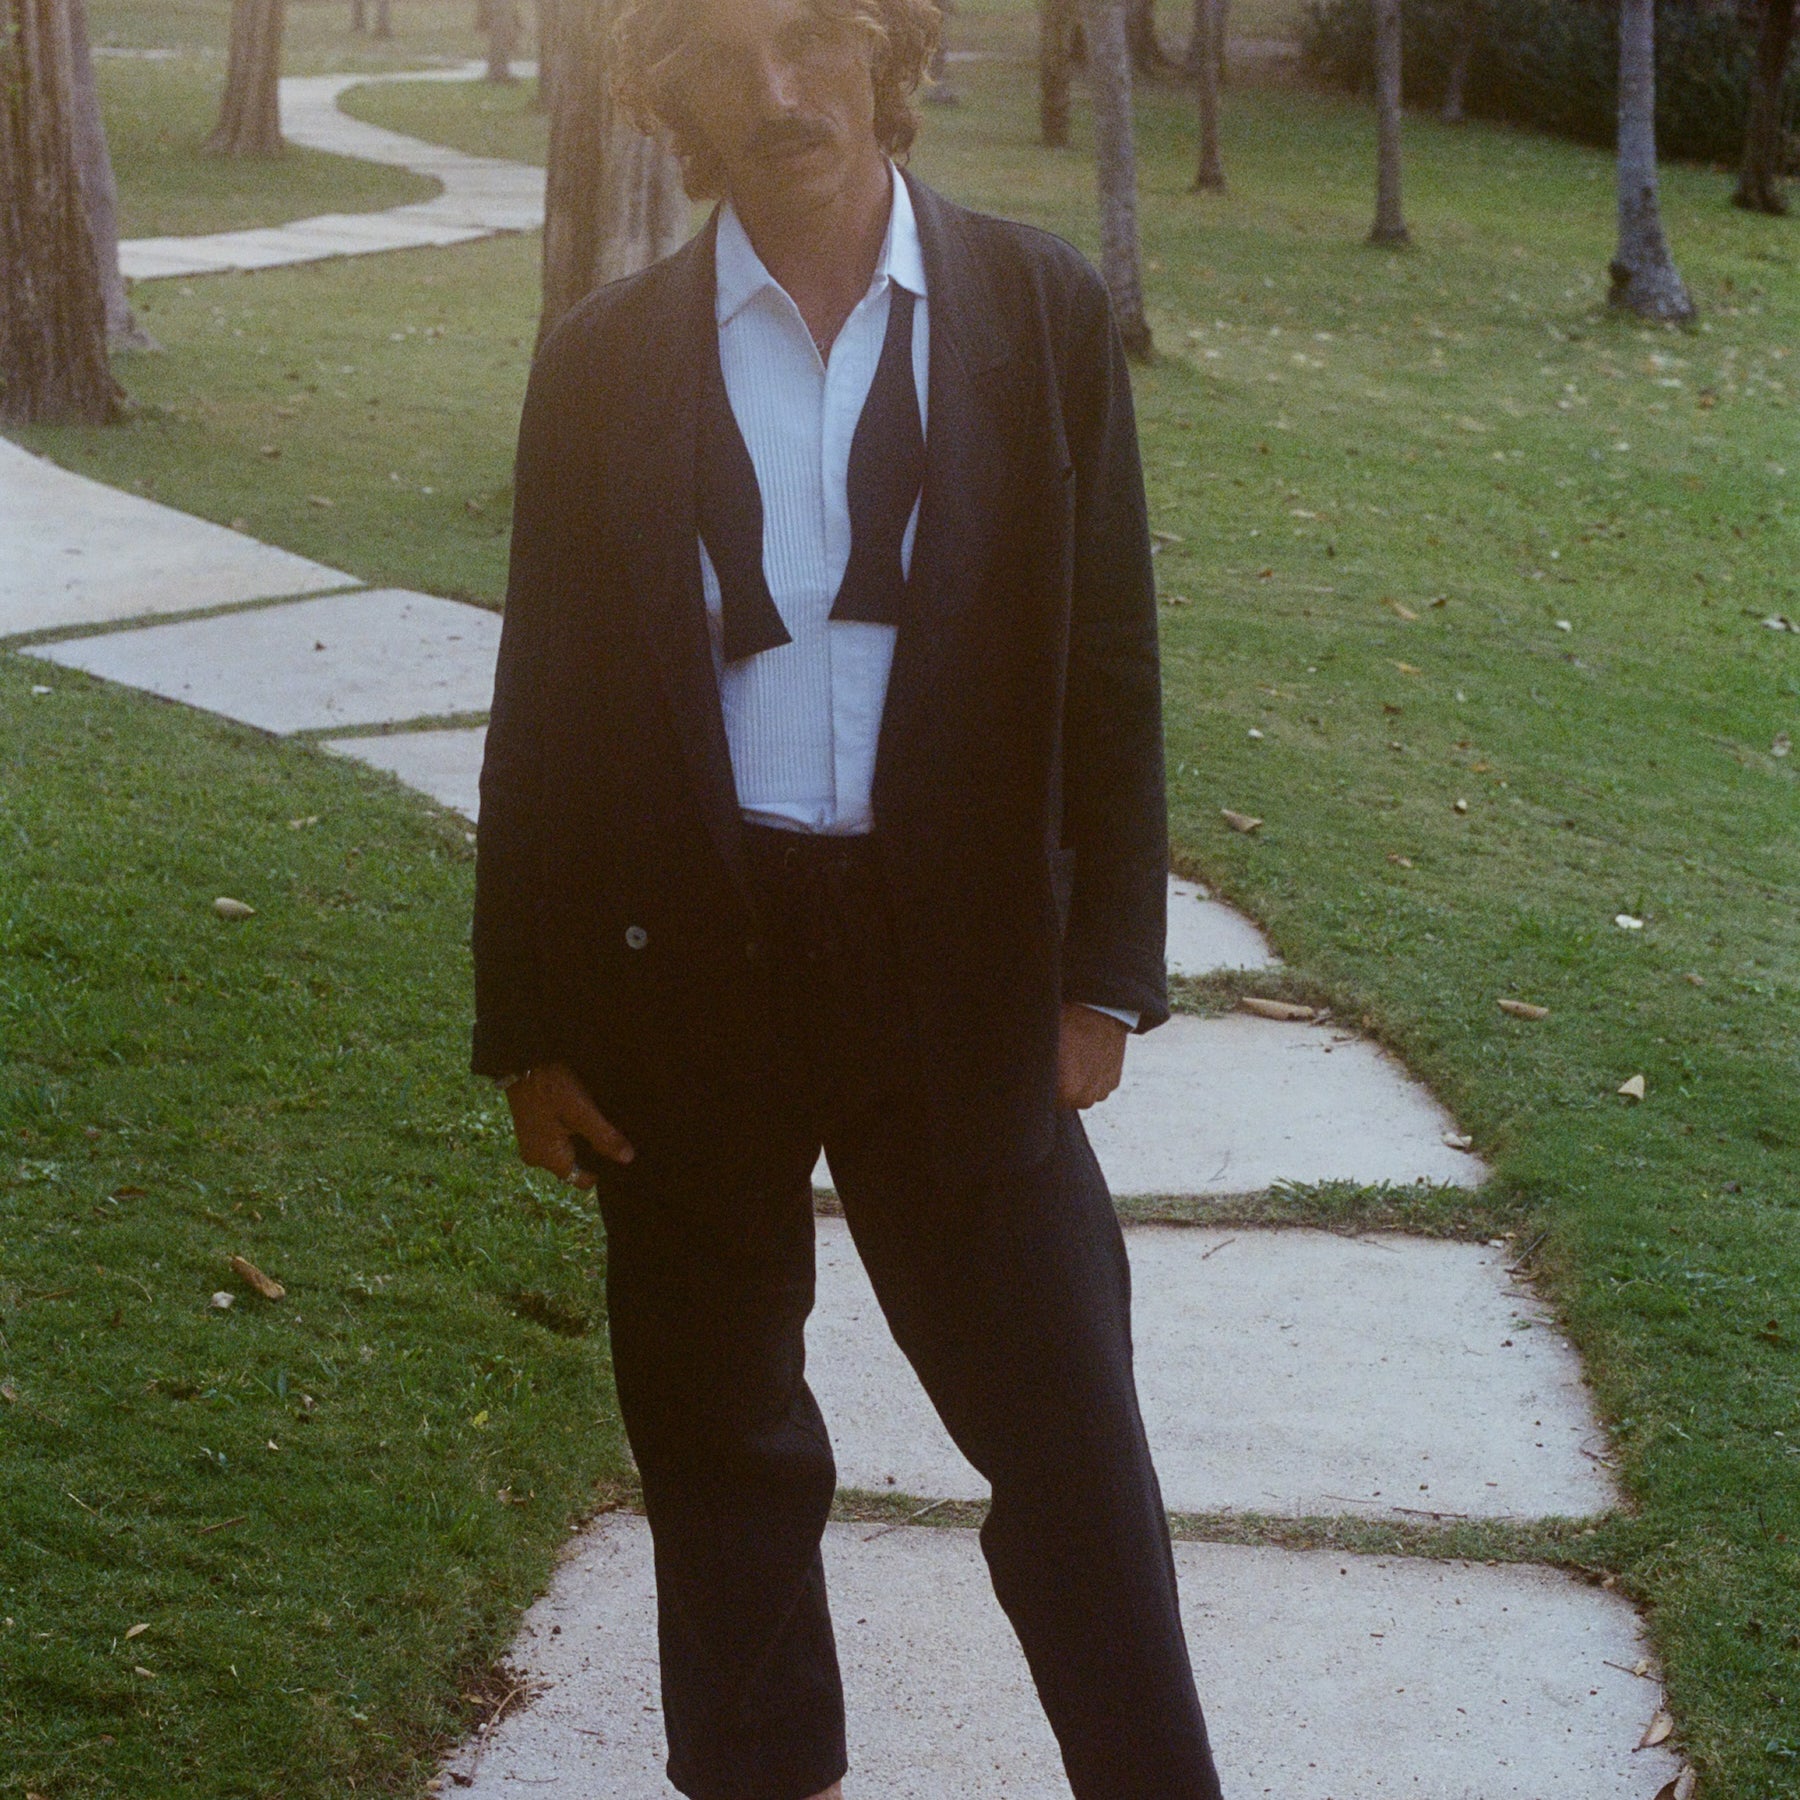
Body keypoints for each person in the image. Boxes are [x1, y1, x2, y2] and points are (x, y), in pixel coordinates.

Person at [471, 0, 1225, 1792]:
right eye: (723, 55)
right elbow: (546, 703)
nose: (779, 91)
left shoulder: (1033, 314)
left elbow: (1108, 661)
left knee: (1070, 1444)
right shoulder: (602, 361)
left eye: (815, 37)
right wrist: (531, 1022)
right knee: (721, 1451)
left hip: (955, 965)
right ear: (675, 97)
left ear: (890, 54)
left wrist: (1104, 975)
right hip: (692, 974)